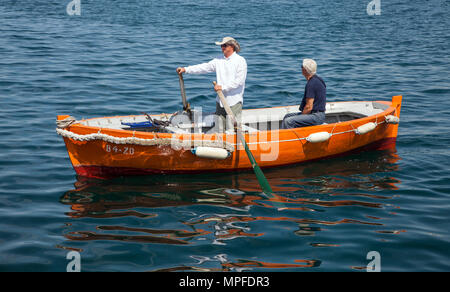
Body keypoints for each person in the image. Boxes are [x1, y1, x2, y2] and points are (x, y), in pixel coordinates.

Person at [176, 37, 247, 132]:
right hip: (220, 101)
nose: (222, 47)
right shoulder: (218, 60)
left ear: (232, 46)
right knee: (219, 128)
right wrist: (186, 69)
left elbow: (239, 81)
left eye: (224, 45)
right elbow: (204, 67)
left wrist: (223, 87)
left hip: (233, 102)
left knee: (232, 130)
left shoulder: (240, 61)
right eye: (221, 46)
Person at [281, 59, 326, 129]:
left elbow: (308, 107)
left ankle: (290, 138)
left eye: (302, 66)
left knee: (288, 121)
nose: (301, 68)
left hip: (316, 116)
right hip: (316, 114)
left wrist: (300, 116)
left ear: (305, 69)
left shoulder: (311, 84)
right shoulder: (318, 79)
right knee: (287, 116)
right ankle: (283, 135)